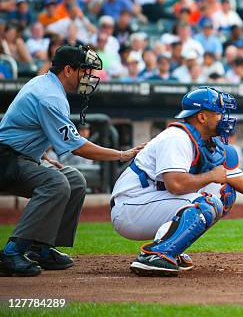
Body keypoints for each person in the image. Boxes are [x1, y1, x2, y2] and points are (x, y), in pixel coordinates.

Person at [110, 87, 243, 276]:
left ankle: (169, 246)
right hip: (131, 207)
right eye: (218, 113)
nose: (223, 118)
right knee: (206, 203)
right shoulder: (176, 138)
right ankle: (155, 254)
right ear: (201, 117)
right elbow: (176, 184)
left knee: (225, 192)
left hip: (154, 201)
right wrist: (210, 176)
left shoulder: (210, 145)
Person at [0, 44, 145, 277]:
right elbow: (78, 147)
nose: (88, 77)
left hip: (18, 156)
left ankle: (42, 248)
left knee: (74, 179)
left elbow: (24, 128)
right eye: (83, 71)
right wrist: (122, 154)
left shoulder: (47, 84)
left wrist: (43, 154)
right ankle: (12, 252)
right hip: (5, 160)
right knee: (55, 183)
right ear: (68, 70)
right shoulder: (49, 95)